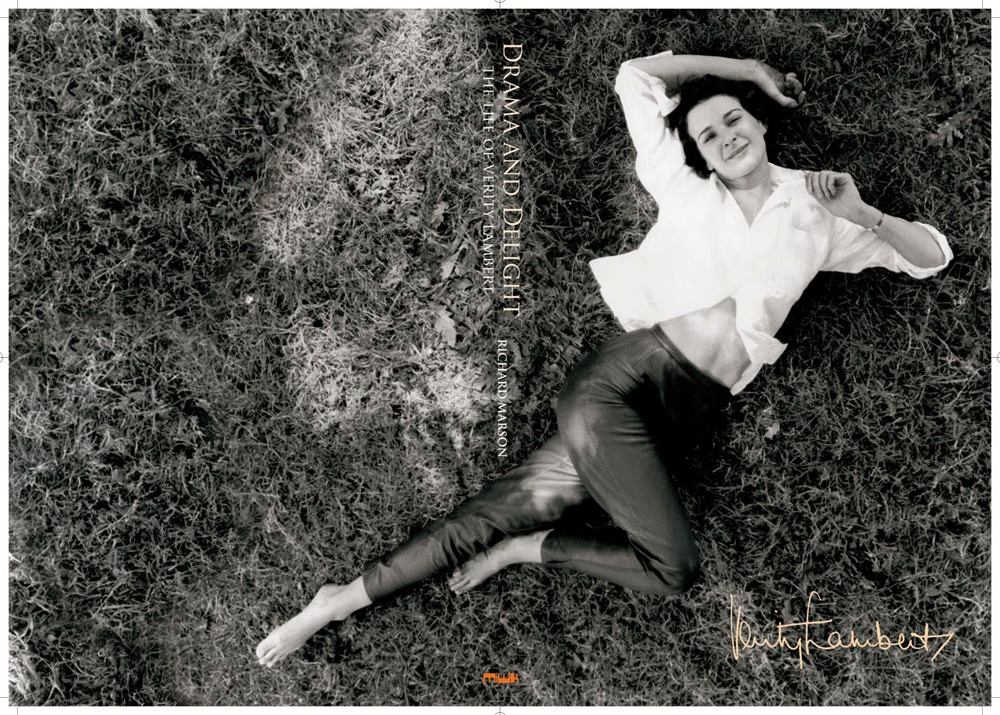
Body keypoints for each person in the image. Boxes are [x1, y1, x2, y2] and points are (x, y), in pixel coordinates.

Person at [255, 50, 952, 668]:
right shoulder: (684, 189)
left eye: (735, 119)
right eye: (708, 135)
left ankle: (340, 598)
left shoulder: (819, 208)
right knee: (674, 567)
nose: (727, 137)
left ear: (761, 124)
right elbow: (636, 77)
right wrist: (746, 70)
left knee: (491, 516)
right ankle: (526, 550)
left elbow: (930, 257)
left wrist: (865, 215)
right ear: (700, 155)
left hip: (683, 413)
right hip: (618, 385)